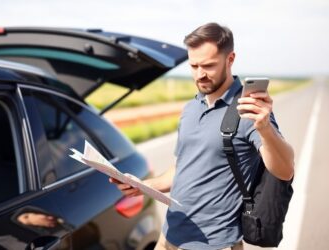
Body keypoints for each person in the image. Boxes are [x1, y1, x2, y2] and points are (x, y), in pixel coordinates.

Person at [110, 22, 294, 250]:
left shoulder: (248, 110)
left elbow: (285, 170)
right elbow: (182, 169)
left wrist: (265, 128)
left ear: (230, 59)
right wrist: (144, 185)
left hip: (214, 244)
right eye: (194, 66)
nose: (200, 75)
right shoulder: (190, 108)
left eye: (208, 66)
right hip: (169, 237)